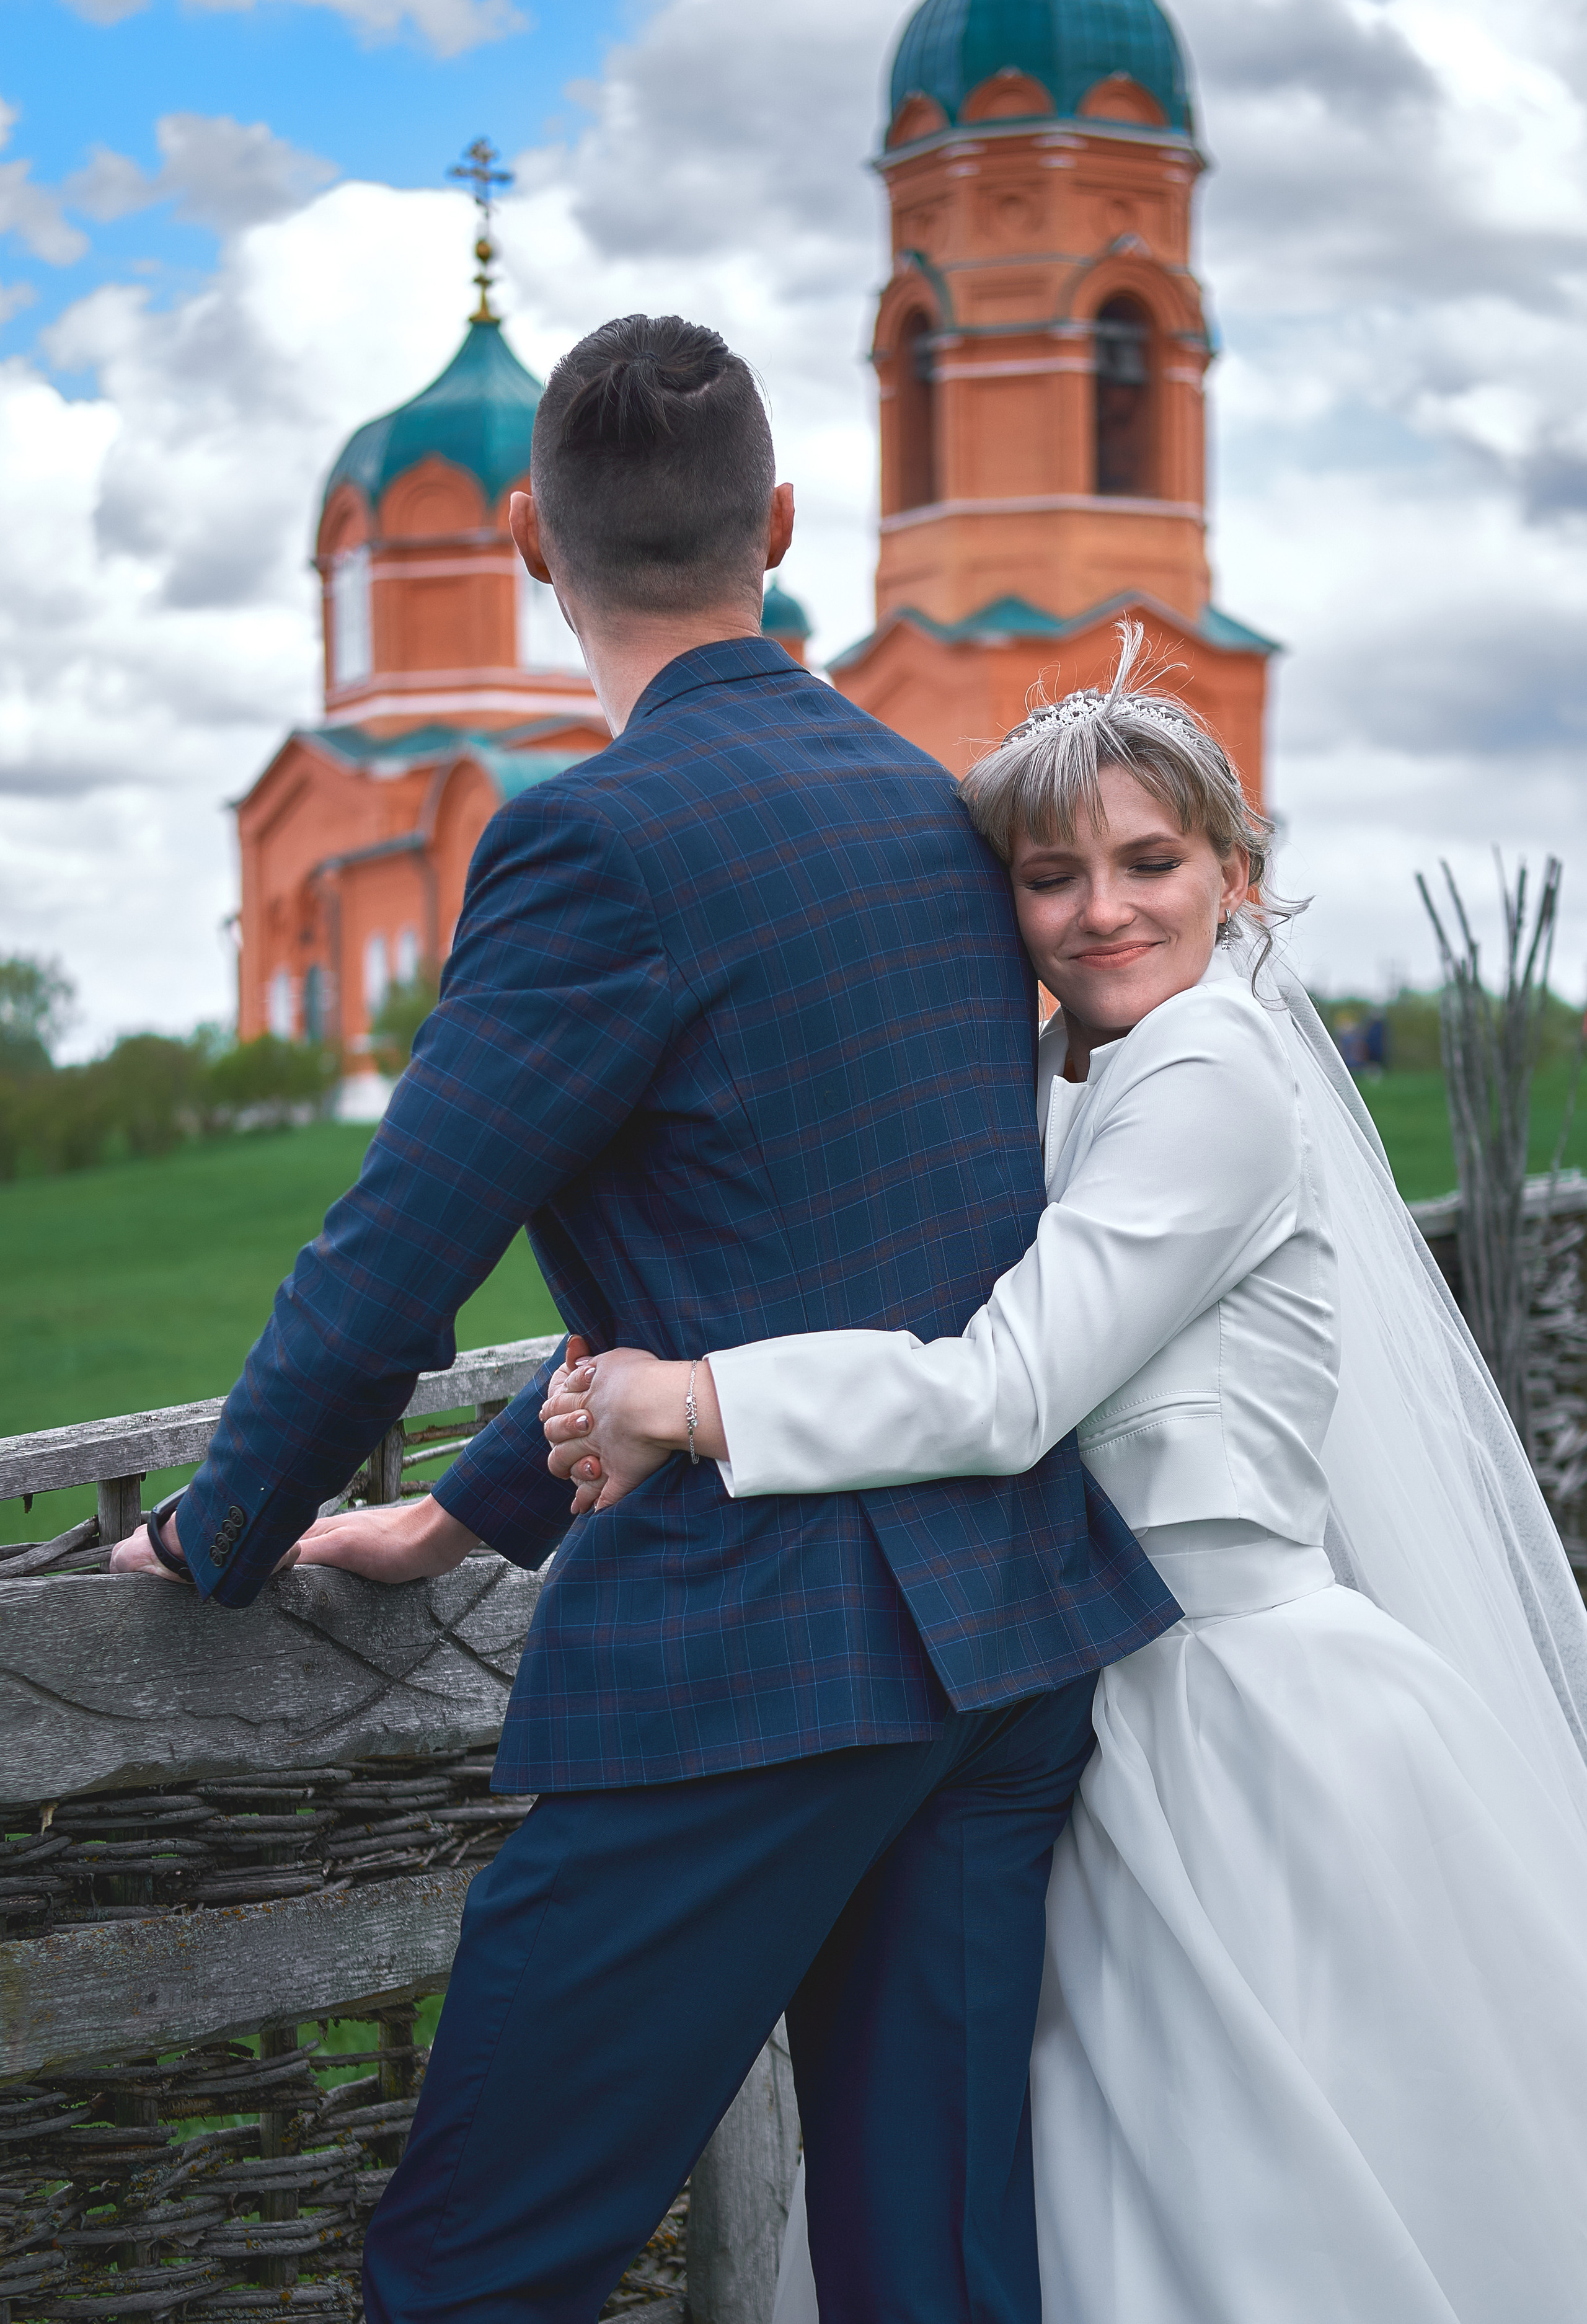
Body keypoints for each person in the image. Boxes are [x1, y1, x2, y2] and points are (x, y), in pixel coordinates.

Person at [111, 316, 1180, 2323]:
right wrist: (457, 1515)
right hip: (1013, 1647)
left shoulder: (588, 842)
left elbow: (389, 1267)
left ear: (528, 542)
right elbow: (806, 1270)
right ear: (780, 526)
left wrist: (222, 1528)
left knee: (478, 2267)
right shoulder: (927, 809)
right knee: (939, 2268)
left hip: (761, 1670)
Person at [543, 631, 1587, 2322]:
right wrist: (576, 1415)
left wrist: (693, 1401)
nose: (1102, 907)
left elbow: (1009, 1387)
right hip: (1084, 1716)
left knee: (1258, 2202)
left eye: (1149, 861)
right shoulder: (1060, 1081)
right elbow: (875, 1286)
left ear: (1238, 875)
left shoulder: (1212, 1071)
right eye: (1052, 875)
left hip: (1243, 1724)